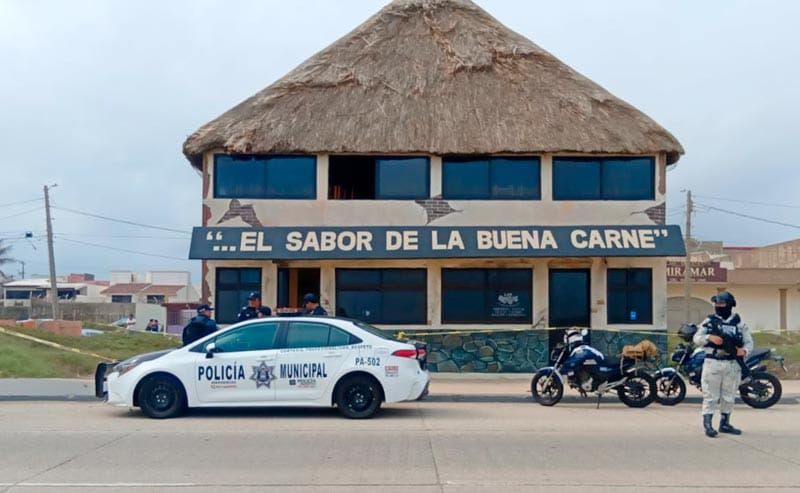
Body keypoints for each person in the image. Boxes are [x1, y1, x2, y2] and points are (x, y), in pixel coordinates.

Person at [693, 291, 753, 438]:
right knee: (710, 395)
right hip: (713, 362)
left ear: (730, 305)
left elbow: (749, 342)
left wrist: (744, 351)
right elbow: (697, 338)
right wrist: (709, 337)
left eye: (722, 304)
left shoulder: (739, 323)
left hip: (732, 363)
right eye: (717, 304)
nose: (718, 306)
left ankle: (725, 423)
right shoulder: (709, 321)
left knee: (729, 395)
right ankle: (708, 424)